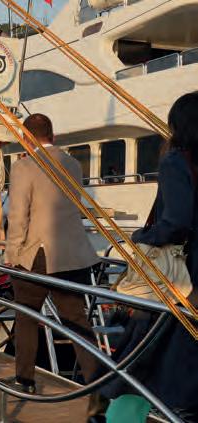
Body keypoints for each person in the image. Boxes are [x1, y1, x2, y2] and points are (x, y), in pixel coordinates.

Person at [96, 92, 198, 422]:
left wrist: (141, 238)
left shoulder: (177, 161)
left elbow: (177, 222)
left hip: (183, 276)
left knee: (144, 354)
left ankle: (118, 416)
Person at [5, 114, 99, 393]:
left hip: (38, 253)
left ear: (26, 139)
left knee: (26, 316)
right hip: (73, 253)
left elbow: (18, 215)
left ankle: (25, 380)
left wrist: (11, 254)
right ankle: (97, 384)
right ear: (53, 136)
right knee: (76, 319)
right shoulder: (73, 164)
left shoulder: (24, 166)